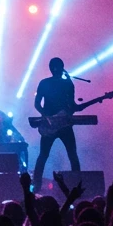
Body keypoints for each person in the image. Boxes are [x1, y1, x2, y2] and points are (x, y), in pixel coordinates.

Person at [31, 57, 81, 192]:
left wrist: (45, 115)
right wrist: (47, 116)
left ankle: (37, 185)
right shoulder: (56, 83)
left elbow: (72, 105)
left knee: (48, 155)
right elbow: (37, 103)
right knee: (69, 155)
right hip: (54, 125)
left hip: (59, 124)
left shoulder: (65, 83)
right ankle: (76, 185)